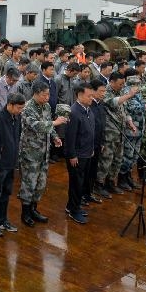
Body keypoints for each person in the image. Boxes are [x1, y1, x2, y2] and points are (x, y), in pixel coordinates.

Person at [18, 82, 66, 227]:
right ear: (36, 93)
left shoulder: (46, 106)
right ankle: (25, 213)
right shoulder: (27, 108)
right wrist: (56, 122)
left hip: (44, 152)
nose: (47, 97)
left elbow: (48, 126)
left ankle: (34, 209)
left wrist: (55, 136)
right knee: (29, 184)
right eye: (44, 94)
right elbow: (37, 125)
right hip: (30, 153)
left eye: (48, 94)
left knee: (41, 184)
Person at [0, 92, 24, 236]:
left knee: (6, 193)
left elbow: (17, 137)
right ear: (10, 105)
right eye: (18, 108)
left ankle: (2, 220)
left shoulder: (17, 117)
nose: (20, 111)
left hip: (10, 162)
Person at [64, 84, 95, 225]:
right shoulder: (74, 112)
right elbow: (70, 137)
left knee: (81, 182)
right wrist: (72, 155)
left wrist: (91, 147)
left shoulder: (88, 109)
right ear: (80, 95)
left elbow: (90, 131)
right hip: (77, 155)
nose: (92, 98)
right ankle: (73, 210)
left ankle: (73, 205)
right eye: (89, 96)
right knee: (76, 183)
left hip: (87, 152)